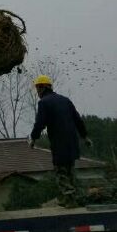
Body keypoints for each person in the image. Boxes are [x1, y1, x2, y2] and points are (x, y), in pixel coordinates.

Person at [29, 74, 93, 207]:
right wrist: (85, 137)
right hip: (72, 142)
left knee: (61, 172)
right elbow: (78, 120)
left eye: (37, 88)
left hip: (59, 143)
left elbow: (39, 123)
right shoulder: (65, 100)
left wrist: (33, 138)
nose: (37, 92)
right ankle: (70, 198)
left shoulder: (44, 103)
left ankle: (70, 199)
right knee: (70, 171)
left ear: (42, 88)